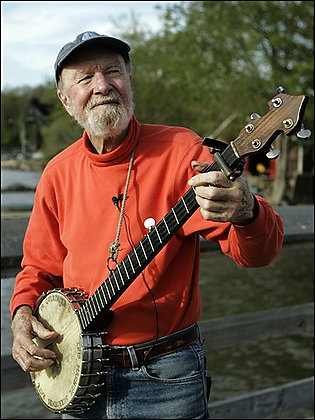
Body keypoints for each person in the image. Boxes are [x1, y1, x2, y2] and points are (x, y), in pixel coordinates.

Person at [10, 31, 284, 419]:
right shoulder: (57, 173)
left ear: (129, 80)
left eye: (112, 72)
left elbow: (259, 253)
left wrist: (247, 212)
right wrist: (22, 316)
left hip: (165, 379)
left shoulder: (182, 152)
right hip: (74, 375)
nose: (102, 85)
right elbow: (38, 269)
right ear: (65, 99)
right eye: (85, 78)